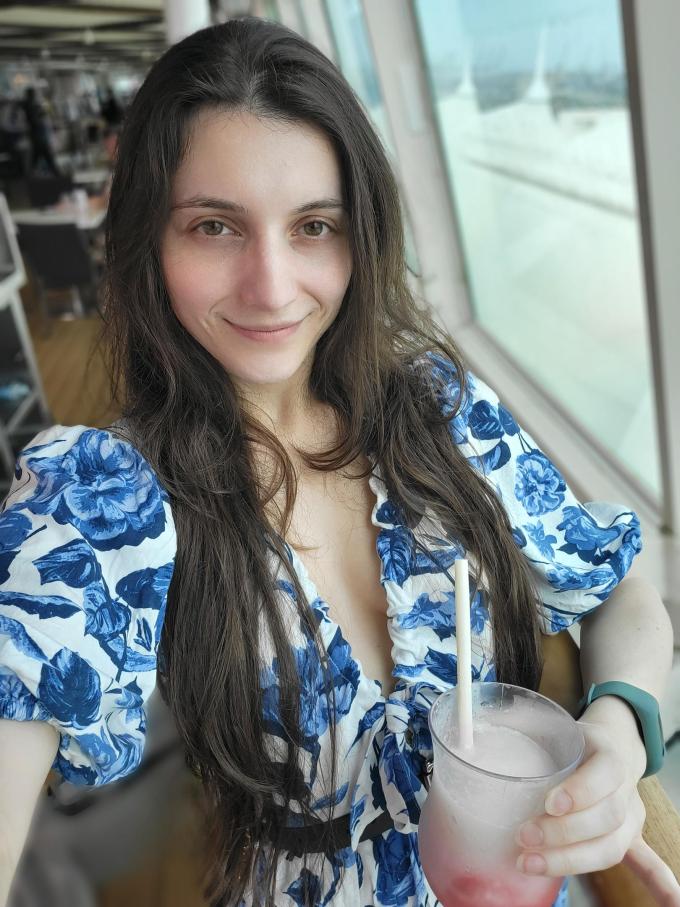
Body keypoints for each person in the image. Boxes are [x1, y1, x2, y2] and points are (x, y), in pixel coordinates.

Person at [0, 17, 678, 907]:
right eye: (214, 226)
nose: (272, 286)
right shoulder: (100, 500)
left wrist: (618, 730)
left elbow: (620, 592)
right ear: (148, 241)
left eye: (313, 225)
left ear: (360, 233)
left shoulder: (439, 410)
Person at [20, 87, 61, 178]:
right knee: (45, 156)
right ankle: (57, 175)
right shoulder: (30, 107)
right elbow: (35, 121)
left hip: (37, 137)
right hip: (38, 137)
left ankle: (31, 176)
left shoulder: (30, 106)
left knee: (37, 158)